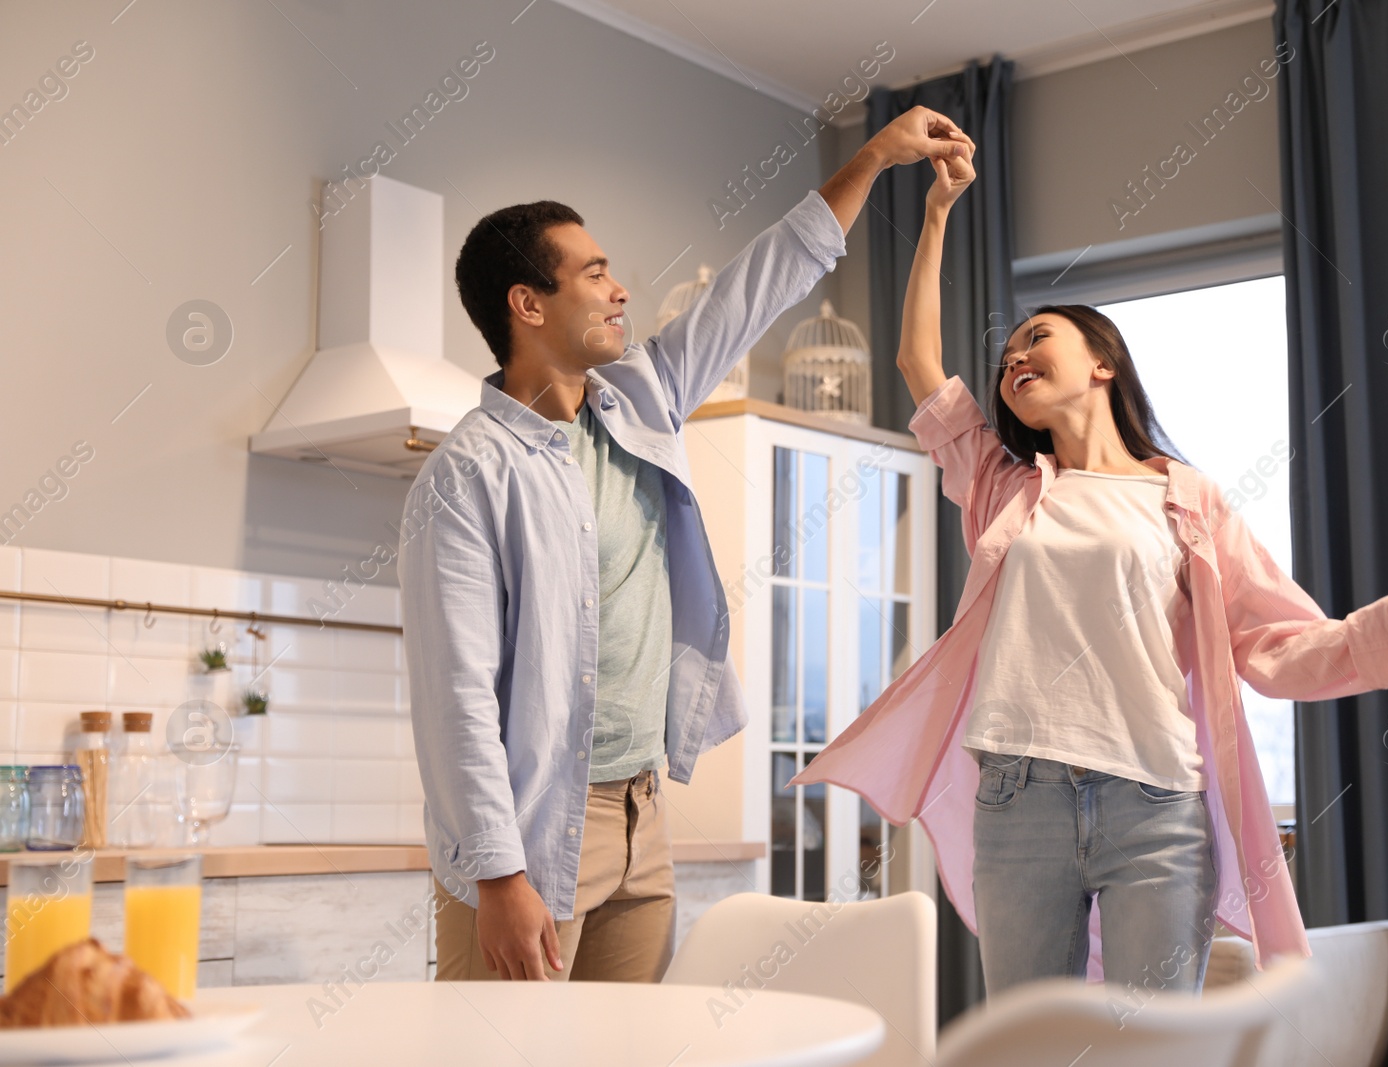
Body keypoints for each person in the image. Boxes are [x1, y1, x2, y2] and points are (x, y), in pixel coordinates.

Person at [792, 147, 1388, 998]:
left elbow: (1272, 641)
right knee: (1031, 1051)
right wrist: (934, 214)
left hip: (1155, 805)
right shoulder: (1002, 490)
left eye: (1036, 338)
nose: (1013, 360)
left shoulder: (1187, 499)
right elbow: (917, 366)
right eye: (1006, 356)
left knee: (1158, 1049)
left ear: (1103, 363)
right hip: (1017, 799)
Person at [399, 108, 977, 983]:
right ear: (528, 303)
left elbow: (760, 284)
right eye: (594, 273)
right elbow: (456, 700)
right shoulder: (467, 475)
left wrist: (875, 159)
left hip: (642, 817)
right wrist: (499, 873)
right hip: (529, 832)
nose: (619, 288)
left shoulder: (641, 398)